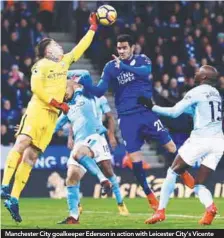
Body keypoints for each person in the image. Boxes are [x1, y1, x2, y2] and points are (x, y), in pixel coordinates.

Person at [78, 34, 194, 211]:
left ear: (132, 48)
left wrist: (123, 66)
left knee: (170, 146)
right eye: (119, 48)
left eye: (124, 47)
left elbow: (145, 73)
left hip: (147, 112)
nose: (121, 51)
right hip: (127, 118)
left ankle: (183, 171)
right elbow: (100, 91)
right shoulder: (110, 67)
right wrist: (87, 84)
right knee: (134, 158)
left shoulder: (142, 59)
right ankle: (149, 194)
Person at [1, 13, 99, 223]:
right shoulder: (41, 64)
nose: (59, 47)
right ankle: (4, 185)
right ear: (48, 50)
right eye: (55, 45)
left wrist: (92, 28)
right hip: (38, 110)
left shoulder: (64, 62)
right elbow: (36, 88)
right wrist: (57, 103)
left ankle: (14, 199)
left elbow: (81, 47)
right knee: (23, 142)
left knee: (31, 157)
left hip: (51, 118)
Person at [139, 65, 224, 225]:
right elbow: (197, 112)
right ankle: (210, 207)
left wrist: (152, 107)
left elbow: (174, 113)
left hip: (201, 139)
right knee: (198, 183)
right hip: (219, 141)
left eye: (199, 72)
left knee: (172, 171)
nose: (196, 73)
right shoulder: (216, 94)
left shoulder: (196, 91)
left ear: (204, 77)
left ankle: (160, 211)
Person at [55, 80, 128, 224]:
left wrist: (111, 134)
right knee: (71, 177)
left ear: (73, 85)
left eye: (64, 88)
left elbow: (109, 116)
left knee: (107, 169)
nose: (63, 93)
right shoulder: (67, 108)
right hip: (80, 141)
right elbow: (56, 126)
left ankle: (119, 201)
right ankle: (73, 217)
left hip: (96, 137)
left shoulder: (90, 95)